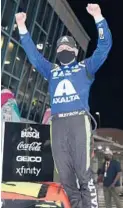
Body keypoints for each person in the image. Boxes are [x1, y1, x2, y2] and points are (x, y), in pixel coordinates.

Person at [15, 4, 112, 208]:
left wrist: (98, 17)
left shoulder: (85, 67)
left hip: (78, 121)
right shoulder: (51, 70)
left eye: (68, 48)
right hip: (57, 124)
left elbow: (104, 47)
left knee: (83, 173)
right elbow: (34, 55)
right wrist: (22, 27)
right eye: (60, 48)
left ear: (75, 52)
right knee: (66, 177)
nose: (63, 50)